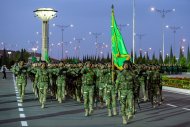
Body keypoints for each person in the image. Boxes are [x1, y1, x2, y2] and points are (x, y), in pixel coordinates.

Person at [116, 60, 135, 124]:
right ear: (123, 66)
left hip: (130, 90)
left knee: (130, 103)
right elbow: (117, 83)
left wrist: (135, 90)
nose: (126, 66)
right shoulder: (120, 74)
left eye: (127, 65)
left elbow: (135, 82)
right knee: (123, 106)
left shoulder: (132, 73)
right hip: (122, 91)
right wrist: (116, 91)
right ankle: (124, 118)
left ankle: (130, 114)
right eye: (125, 65)